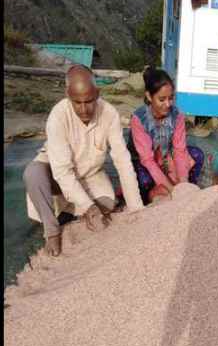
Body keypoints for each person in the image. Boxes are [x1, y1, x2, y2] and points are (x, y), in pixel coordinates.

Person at [23, 65, 144, 257]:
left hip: (90, 174)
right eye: (77, 102)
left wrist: (136, 209)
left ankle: (70, 213)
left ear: (98, 93)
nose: (84, 109)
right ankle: (52, 231)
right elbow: (62, 172)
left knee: (108, 204)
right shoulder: (57, 116)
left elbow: (122, 161)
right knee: (33, 173)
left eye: (89, 101)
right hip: (56, 174)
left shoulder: (110, 114)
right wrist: (89, 208)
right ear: (67, 95)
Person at [129, 67, 205, 204]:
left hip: (165, 157)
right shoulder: (139, 119)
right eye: (162, 99)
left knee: (197, 154)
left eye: (171, 98)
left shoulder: (177, 116)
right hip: (144, 160)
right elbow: (147, 159)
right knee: (144, 180)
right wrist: (171, 189)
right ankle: (152, 197)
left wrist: (183, 185)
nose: (168, 104)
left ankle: (190, 190)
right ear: (148, 96)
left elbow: (179, 150)